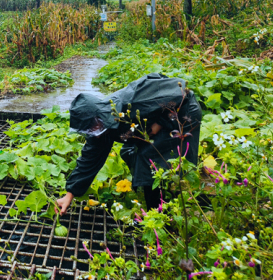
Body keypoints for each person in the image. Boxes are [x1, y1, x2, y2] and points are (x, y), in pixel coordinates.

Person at [55, 73, 202, 215]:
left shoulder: (132, 101)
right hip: (153, 126)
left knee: (147, 157)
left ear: (98, 115)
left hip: (182, 113)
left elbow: (180, 91)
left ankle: (157, 213)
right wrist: (70, 194)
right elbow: (89, 159)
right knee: (128, 152)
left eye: (92, 126)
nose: (93, 131)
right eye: (88, 130)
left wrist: (159, 122)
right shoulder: (100, 128)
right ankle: (155, 195)